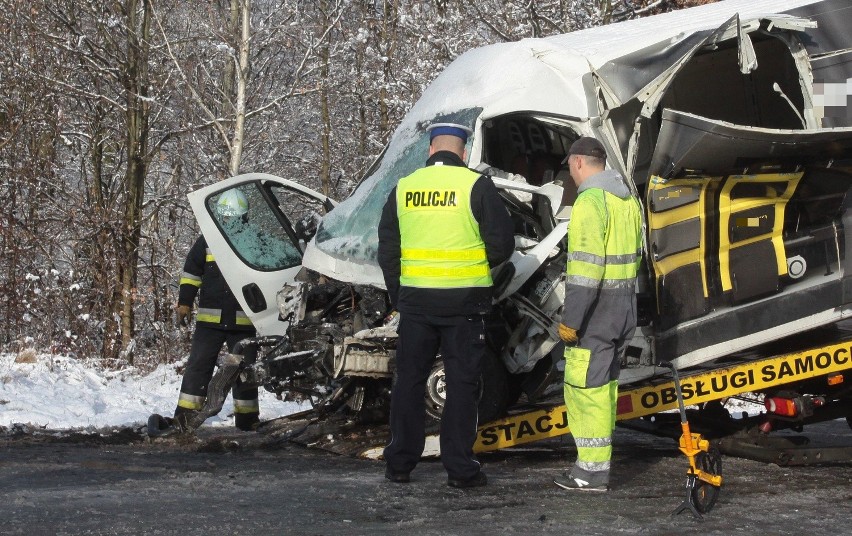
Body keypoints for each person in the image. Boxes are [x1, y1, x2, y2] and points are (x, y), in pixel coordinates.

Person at [378, 122, 514, 488]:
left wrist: (400, 294)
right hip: (464, 304)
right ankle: (460, 469)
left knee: (408, 382)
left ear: (429, 150)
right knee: (462, 385)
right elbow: (503, 245)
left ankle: (400, 464)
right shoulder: (475, 185)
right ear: (464, 152)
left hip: (416, 304)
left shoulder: (404, 188)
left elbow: (388, 251)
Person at [553, 137, 643, 492]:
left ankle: (588, 473)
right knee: (604, 391)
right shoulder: (627, 200)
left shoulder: (590, 201)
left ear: (577, 163)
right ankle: (596, 467)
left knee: (584, 389)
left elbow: (584, 273)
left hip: (596, 314)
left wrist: (570, 321)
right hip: (624, 310)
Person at [173, 189, 261, 432]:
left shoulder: (255, 241)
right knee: (198, 367)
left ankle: (248, 420)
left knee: (245, 371)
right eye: (226, 218)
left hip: (244, 322)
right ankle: (184, 419)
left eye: (233, 218)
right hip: (210, 322)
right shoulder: (208, 240)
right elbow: (191, 273)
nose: (229, 223)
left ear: (244, 217)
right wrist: (184, 302)